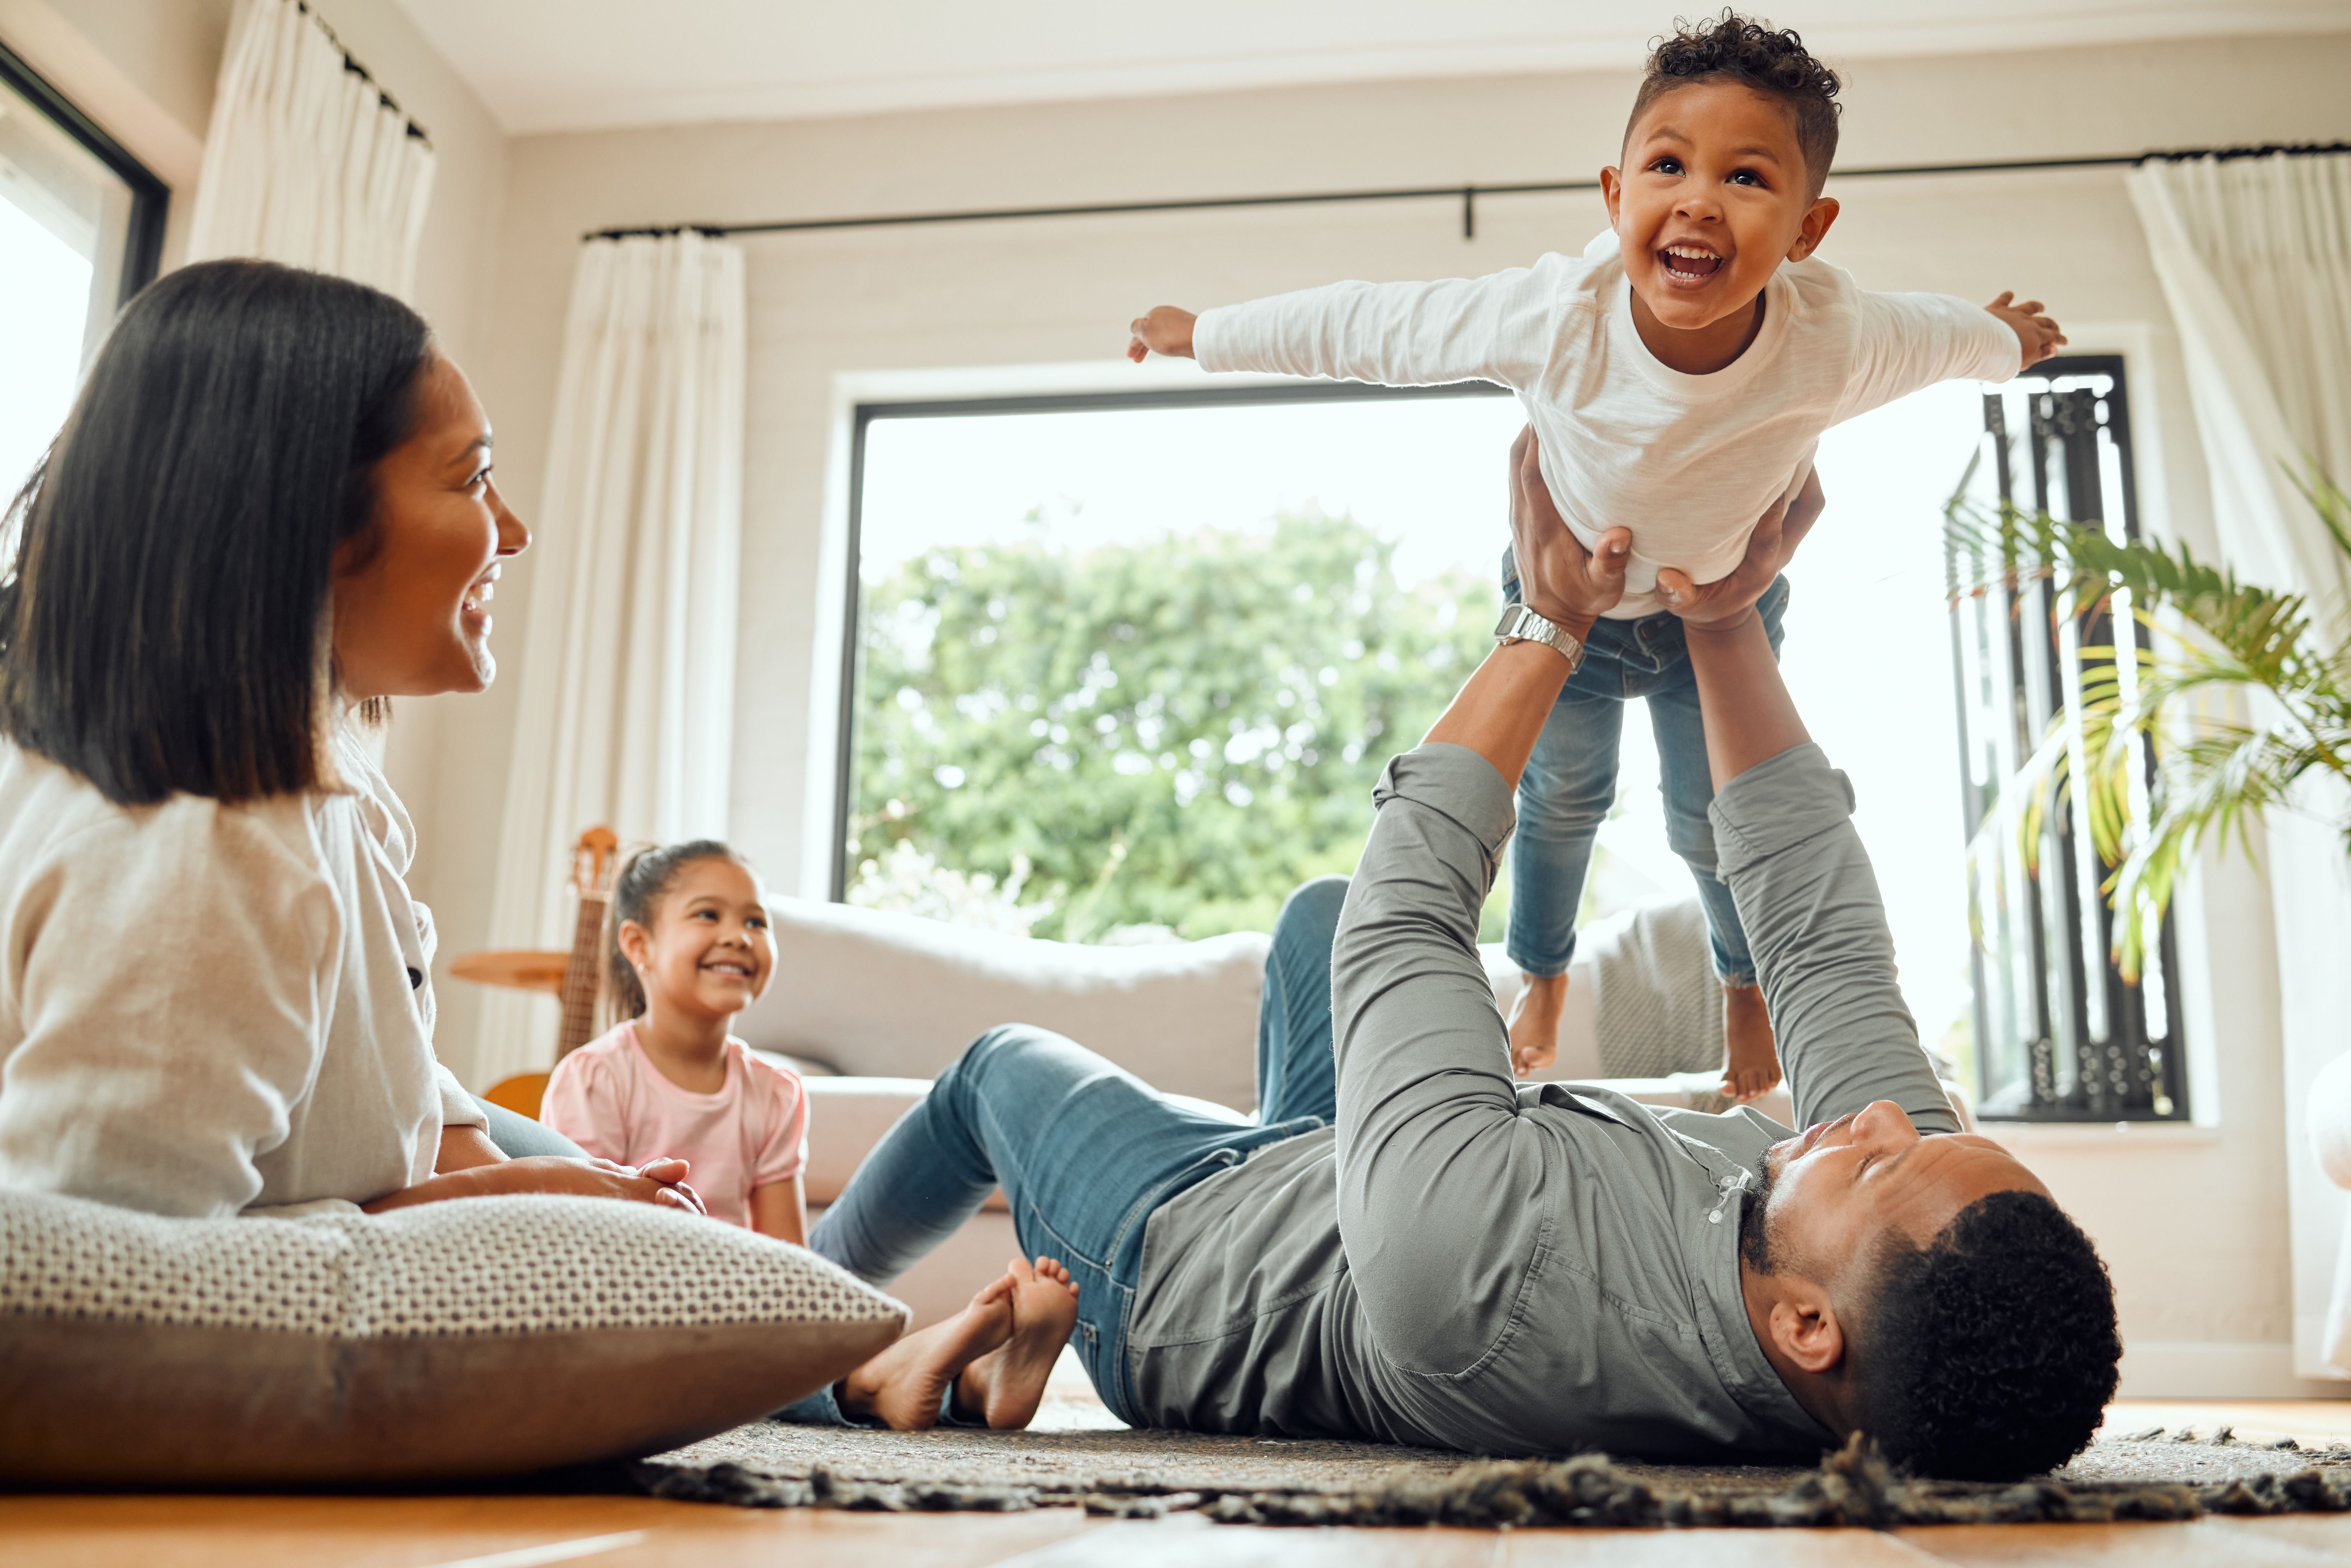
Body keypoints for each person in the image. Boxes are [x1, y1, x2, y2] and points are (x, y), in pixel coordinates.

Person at [803, 429, 2122, 1480]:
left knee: (993, 1069)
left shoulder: (1484, 1291)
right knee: (1311, 915)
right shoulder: (1863, 1289)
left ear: (1802, 1326)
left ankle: (813, 1336)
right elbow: (1822, 944)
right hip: (1348, 1190)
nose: (1879, 1115)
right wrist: (1725, 623)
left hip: (1180, 1265)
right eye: (1916, 1127)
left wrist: (1547, 618)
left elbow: (1409, 908)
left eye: (1880, 1152)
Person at [0, 258, 1069, 1435]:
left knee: (619, 1196)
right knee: (641, 1226)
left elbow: (397, 1078)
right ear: (307, 520)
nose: (512, 530)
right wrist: (509, 1204)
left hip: (411, 1129)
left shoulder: (318, 783)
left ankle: (859, 1370)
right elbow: (106, 1286)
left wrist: (514, 1173)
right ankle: (856, 1370)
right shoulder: (200, 851)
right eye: (472, 479)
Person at [1125, 13, 2067, 1104]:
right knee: (1560, 799)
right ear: (1615, 196)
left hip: (1716, 613)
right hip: (1563, 605)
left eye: (1746, 178)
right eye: (1666, 164)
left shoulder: (1833, 338)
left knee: (1707, 822)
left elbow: (1943, 337)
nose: (1699, 199)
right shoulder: (1553, 316)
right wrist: (1205, 333)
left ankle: (1742, 988)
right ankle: (1541, 973)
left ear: (1807, 230)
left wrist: (2004, 342)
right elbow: (1367, 327)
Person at [543, 841, 813, 1240]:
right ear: (638, 945)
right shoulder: (594, 1079)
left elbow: (789, 1260)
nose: (739, 937)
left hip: (735, 1291)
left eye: (756, 922)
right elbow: (579, 1238)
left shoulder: (775, 1093)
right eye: (708, 915)